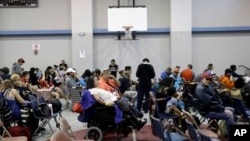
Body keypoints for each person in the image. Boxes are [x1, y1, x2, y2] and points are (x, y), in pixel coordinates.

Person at [193, 72, 235, 137]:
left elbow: (216, 97)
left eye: (210, 79)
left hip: (212, 108)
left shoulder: (207, 86)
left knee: (232, 109)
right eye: (207, 79)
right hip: (207, 111)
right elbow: (210, 104)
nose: (208, 81)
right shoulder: (200, 89)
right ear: (202, 79)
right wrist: (223, 109)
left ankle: (226, 128)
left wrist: (221, 106)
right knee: (229, 115)